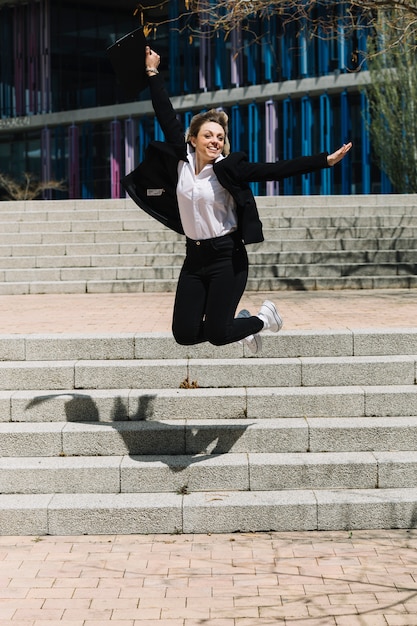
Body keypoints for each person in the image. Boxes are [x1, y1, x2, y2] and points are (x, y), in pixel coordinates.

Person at [122, 46, 352, 354]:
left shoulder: (226, 169)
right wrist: (152, 71)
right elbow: (165, 112)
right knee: (184, 334)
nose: (215, 140)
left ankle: (262, 320)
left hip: (226, 259)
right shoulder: (181, 163)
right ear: (193, 139)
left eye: (219, 136)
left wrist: (323, 160)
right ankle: (239, 327)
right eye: (208, 135)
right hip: (194, 258)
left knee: (218, 333)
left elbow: (275, 170)